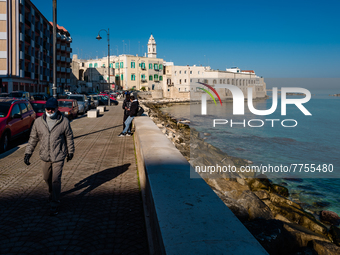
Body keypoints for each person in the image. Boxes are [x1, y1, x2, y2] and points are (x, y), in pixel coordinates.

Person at [24, 97, 75, 216]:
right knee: (47, 178)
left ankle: (55, 204)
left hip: (58, 156)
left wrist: (70, 151)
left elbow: (69, 137)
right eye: (48, 108)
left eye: (52, 109)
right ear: (45, 108)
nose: (50, 111)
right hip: (45, 156)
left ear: (57, 109)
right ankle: (52, 193)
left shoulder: (64, 122)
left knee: (55, 180)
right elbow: (33, 139)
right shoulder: (38, 122)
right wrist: (28, 153)